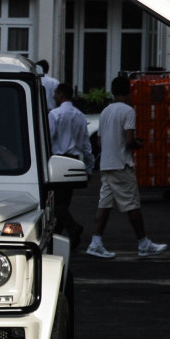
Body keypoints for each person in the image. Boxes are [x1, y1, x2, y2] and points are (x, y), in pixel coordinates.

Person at [86, 75, 167, 259]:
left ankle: (96, 242)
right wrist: (138, 144)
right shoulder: (128, 111)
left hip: (107, 163)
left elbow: (99, 141)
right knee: (132, 204)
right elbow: (129, 140)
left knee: (105, 204)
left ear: (113, 91)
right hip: (122, 164)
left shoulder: (105, 111)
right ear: (129, 91)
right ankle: (143, 243)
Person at [48, 83, 92, 249]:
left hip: (57, 159)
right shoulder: (79, 115)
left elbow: (49, 138)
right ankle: (60, 236)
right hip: (73, 160)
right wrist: (88, 167)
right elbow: (86, 144)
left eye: (55, 94)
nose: (53, 97)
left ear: (60, 95)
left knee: (57, 203)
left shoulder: (55, 114)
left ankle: (71, 227)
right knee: (64, 201)